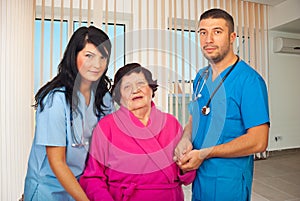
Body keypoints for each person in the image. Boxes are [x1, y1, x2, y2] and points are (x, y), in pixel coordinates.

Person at [173, 8, 270, 201]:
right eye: (203, 32)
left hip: (229, 181)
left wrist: (206, 153)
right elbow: (196, 116)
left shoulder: (249, 81)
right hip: (200, 176)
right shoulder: (201, 77)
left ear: (232, 36)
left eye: (217, 32)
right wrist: (185, 138)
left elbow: (259, 141)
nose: (208, 39)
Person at [79, 63, 196, 201]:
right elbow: (93, 178)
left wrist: (185, 166)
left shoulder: (171, 123)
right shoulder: (106, 127)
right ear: (119, 96)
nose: (135, 90)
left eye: (140, 83)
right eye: (127, 87)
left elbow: (186, 175)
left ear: (151, 89)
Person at [23, 26, 113, 201]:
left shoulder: (104, 98)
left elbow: (109, 143)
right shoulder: (55, 100)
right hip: (48, 189)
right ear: (74, 56)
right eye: (89, 56)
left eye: (103, 57)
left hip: (80, 185)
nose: (97, 64)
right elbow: (57, 162)